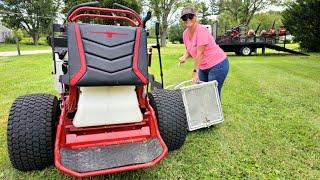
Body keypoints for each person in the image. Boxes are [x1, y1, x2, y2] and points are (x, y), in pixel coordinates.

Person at [178, 7, 229, 97]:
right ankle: (205, 111)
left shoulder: (202, 30)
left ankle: (214, 111)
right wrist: (184, 57)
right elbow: (188, 49)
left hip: (218, 65)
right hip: (203, 67)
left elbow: (199, 54)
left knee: (212, 94)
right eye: (184, 18)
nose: (188, 19)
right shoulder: (185, 34)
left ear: (195, 17)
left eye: (190, 16)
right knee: (203, 92)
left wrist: (195, 72)